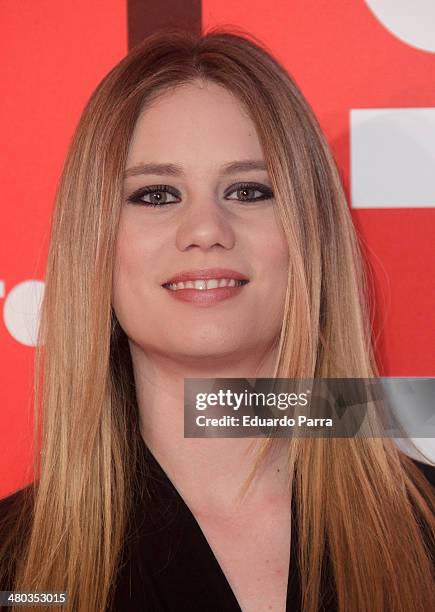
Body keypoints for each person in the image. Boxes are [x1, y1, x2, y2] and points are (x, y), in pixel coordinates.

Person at [0, 28, 434, 612]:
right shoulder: (15, 568)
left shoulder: (425, 532)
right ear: (95, 244)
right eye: (156, 195)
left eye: (250, 190)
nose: (206, 230)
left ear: (310, 234)